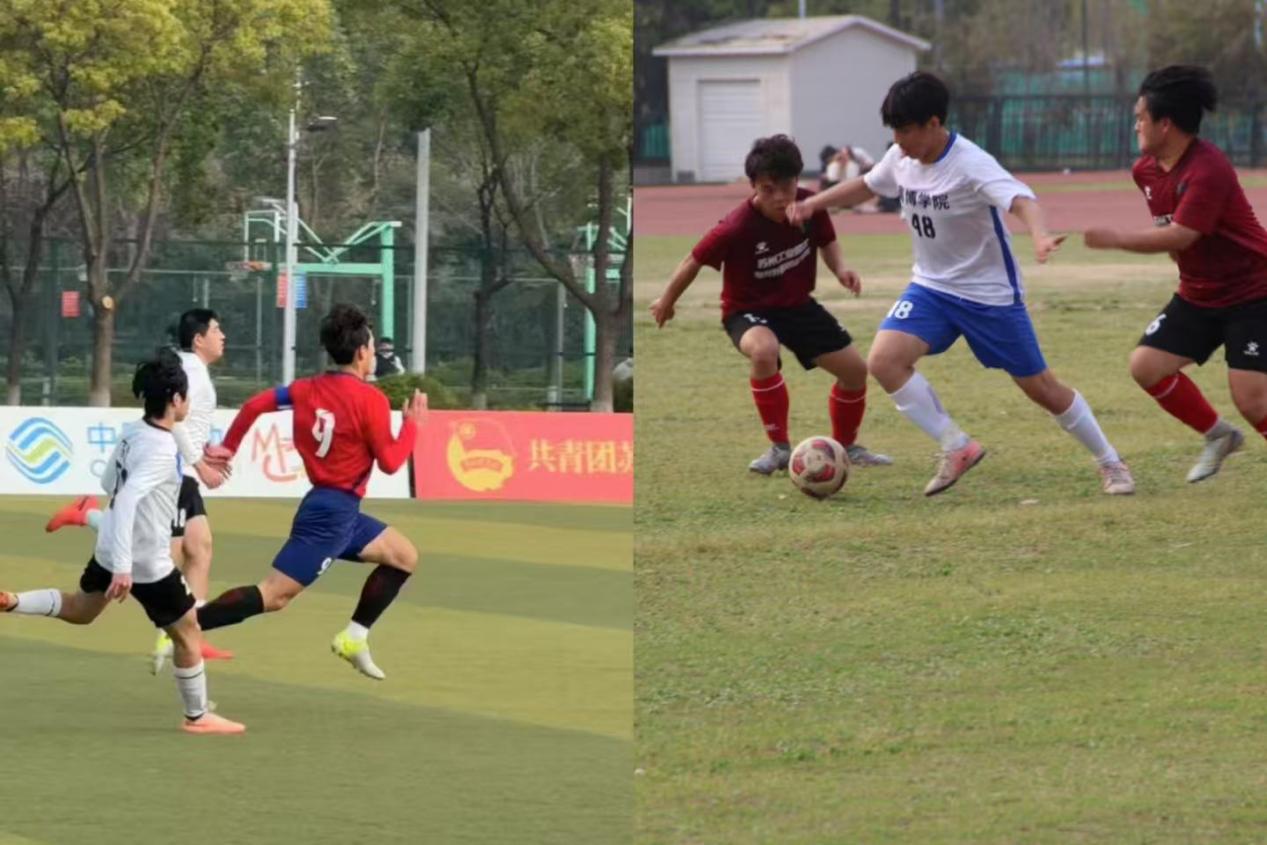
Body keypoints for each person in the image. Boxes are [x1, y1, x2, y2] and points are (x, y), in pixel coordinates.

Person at [791, 71, 1133, 496]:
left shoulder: (971, 163)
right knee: (884, 361)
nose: (898, 140)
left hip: (988, 296)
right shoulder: (901, 157)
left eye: (906, 130)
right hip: (931, 289)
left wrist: (1040, 235)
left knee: (1041, 388)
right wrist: (813, 204)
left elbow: (1021, 200)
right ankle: (957, 446)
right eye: (894, 130)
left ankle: (1111, 462)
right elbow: (866, 185)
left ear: (934, 123)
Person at [2, 350, 245, 735]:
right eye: (186, 396)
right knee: (188, 630)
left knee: (80, 610)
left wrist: (199, 465)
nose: (189, 403)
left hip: (111, 544)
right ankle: (198, 716)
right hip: (145, 562)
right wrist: (124, 567)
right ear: (176, 400)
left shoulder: (136, 431)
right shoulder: (162, 450)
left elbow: (109, 484)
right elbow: (129, 497)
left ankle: (13, 600)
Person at [184, 304, 426, 680]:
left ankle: (354, 638)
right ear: (362, 351)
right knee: (273, 595)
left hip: (337, 508)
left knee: (403, 556)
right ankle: (184, 626)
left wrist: (230, 445)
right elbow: (392, 462)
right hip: (331, 514)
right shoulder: (371, 400)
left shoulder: (305, 389)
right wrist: (412, 426)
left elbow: (255, 405)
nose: (374, 354)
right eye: (372, 347)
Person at [650, 134, 892, 475]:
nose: (780, 197)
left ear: (797, 180)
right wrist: (667, 301)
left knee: (854, 372)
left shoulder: (809, 206)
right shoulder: (736, 227)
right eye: (768, 189)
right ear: (753, 187)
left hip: (798, 307)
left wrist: (841, 269)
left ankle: (845, 447)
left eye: (787, 187)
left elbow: (827, 240)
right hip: (747, 311)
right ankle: (779, 448)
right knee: (764, 351)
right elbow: (693, 261)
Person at [1084, 65, 1267, 483]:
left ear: (1164, 124)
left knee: (1252, 399)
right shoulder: (1145, 171)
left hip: (1254, 292)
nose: (1136, 126)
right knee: (1146, 366)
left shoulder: (1208, 169)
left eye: (1140, 118)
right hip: (1199, 294)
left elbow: (1182, 234)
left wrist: (1116, 239)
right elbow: (1172, 231)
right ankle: (1219, 436)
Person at [46, 309, 235, 670]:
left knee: (200, 547)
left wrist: (203, 451)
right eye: (217, 329)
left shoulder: (192, 368)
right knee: (168, 553)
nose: (223, 335)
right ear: (198, 339)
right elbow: (173, 422)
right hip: (173, 473)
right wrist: (199, 463)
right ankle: (180, 634)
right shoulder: (190, 373)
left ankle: (190, 632)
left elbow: (185, 423)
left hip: (182, 471)